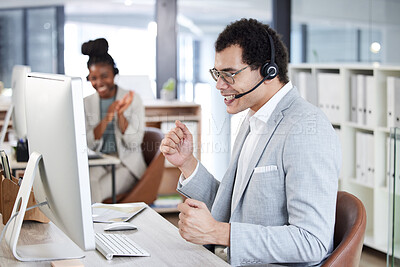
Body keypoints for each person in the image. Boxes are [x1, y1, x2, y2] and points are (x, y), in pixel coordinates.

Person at [160, 18, 341, 266]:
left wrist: (219, 233)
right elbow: (233, 208)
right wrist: (188, 163)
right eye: (217, 73)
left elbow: (312, 242)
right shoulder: (253, 119)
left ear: (269, 71)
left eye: (230, 74)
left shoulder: (306, 129)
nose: (219, 85)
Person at [81, 38, 146, 203]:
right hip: (101, 161)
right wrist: (108, 117)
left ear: (114, 74)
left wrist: (120, 115)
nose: (99, 83)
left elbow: (133, 142)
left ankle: (95, 229)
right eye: (93, 78)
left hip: (126, 164)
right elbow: (88, 143)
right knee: (84, 185)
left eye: (104, 76)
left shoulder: (132, 99)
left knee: (97, 191)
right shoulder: (86, 103)